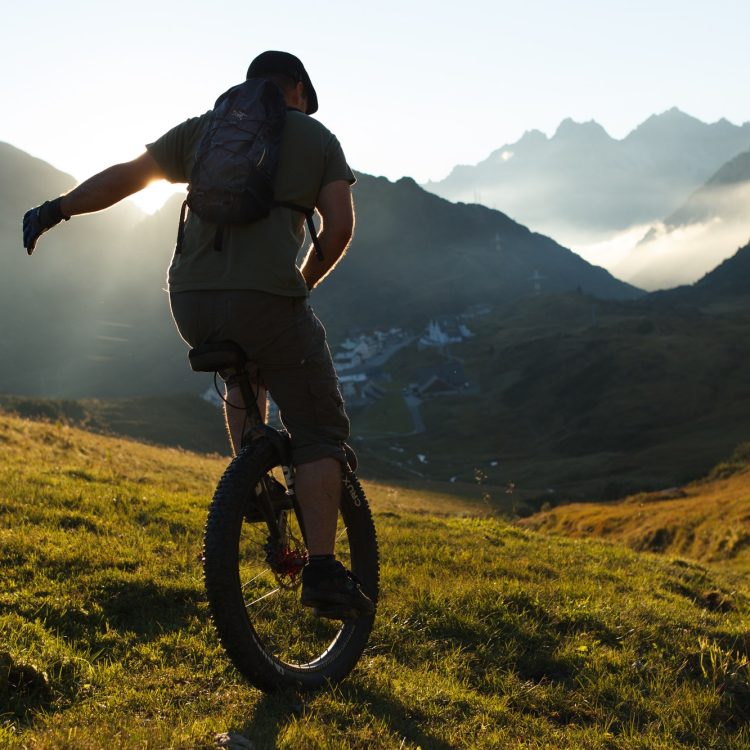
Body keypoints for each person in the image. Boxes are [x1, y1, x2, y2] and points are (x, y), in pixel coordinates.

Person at [22, 50, 374, 619]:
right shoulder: (316, 138)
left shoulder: (204, 131)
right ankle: (326, 570)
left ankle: (256, 481)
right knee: (320, 429)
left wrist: (56, 209)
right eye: (306, 100)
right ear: (296, 90)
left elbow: (127, 178)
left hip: (189, 301)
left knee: (245, 373)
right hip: (265, 302)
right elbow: (340, 227)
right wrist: (299, 283)